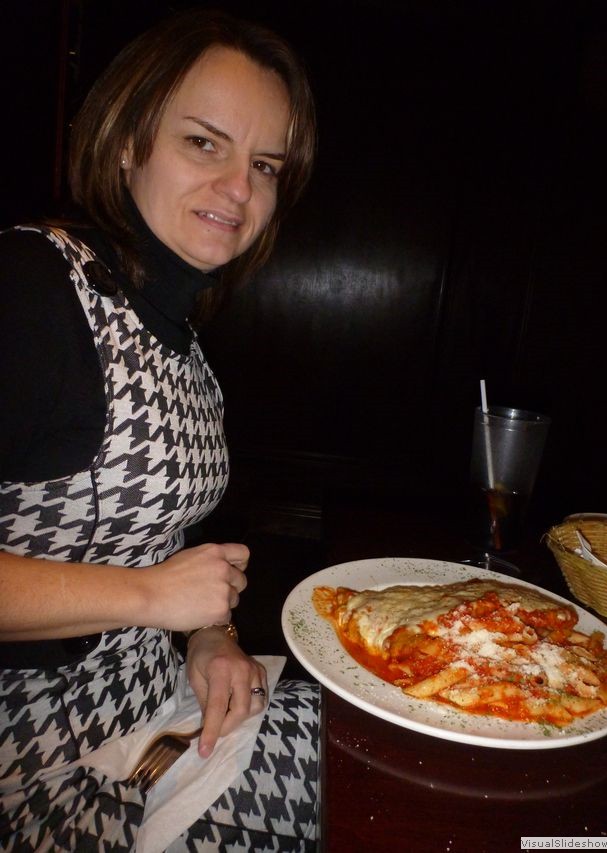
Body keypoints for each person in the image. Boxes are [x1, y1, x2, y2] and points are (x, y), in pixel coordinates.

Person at [0, 7, 318, 850]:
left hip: (159, 711)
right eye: (204, 143)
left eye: (265, 164)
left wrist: (207, 639)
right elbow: (152, 579)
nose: (240, 189)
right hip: (43, 765)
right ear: (130, 138)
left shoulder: (181, 339)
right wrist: (152, 599)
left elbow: (166, 550)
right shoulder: (33, 287)